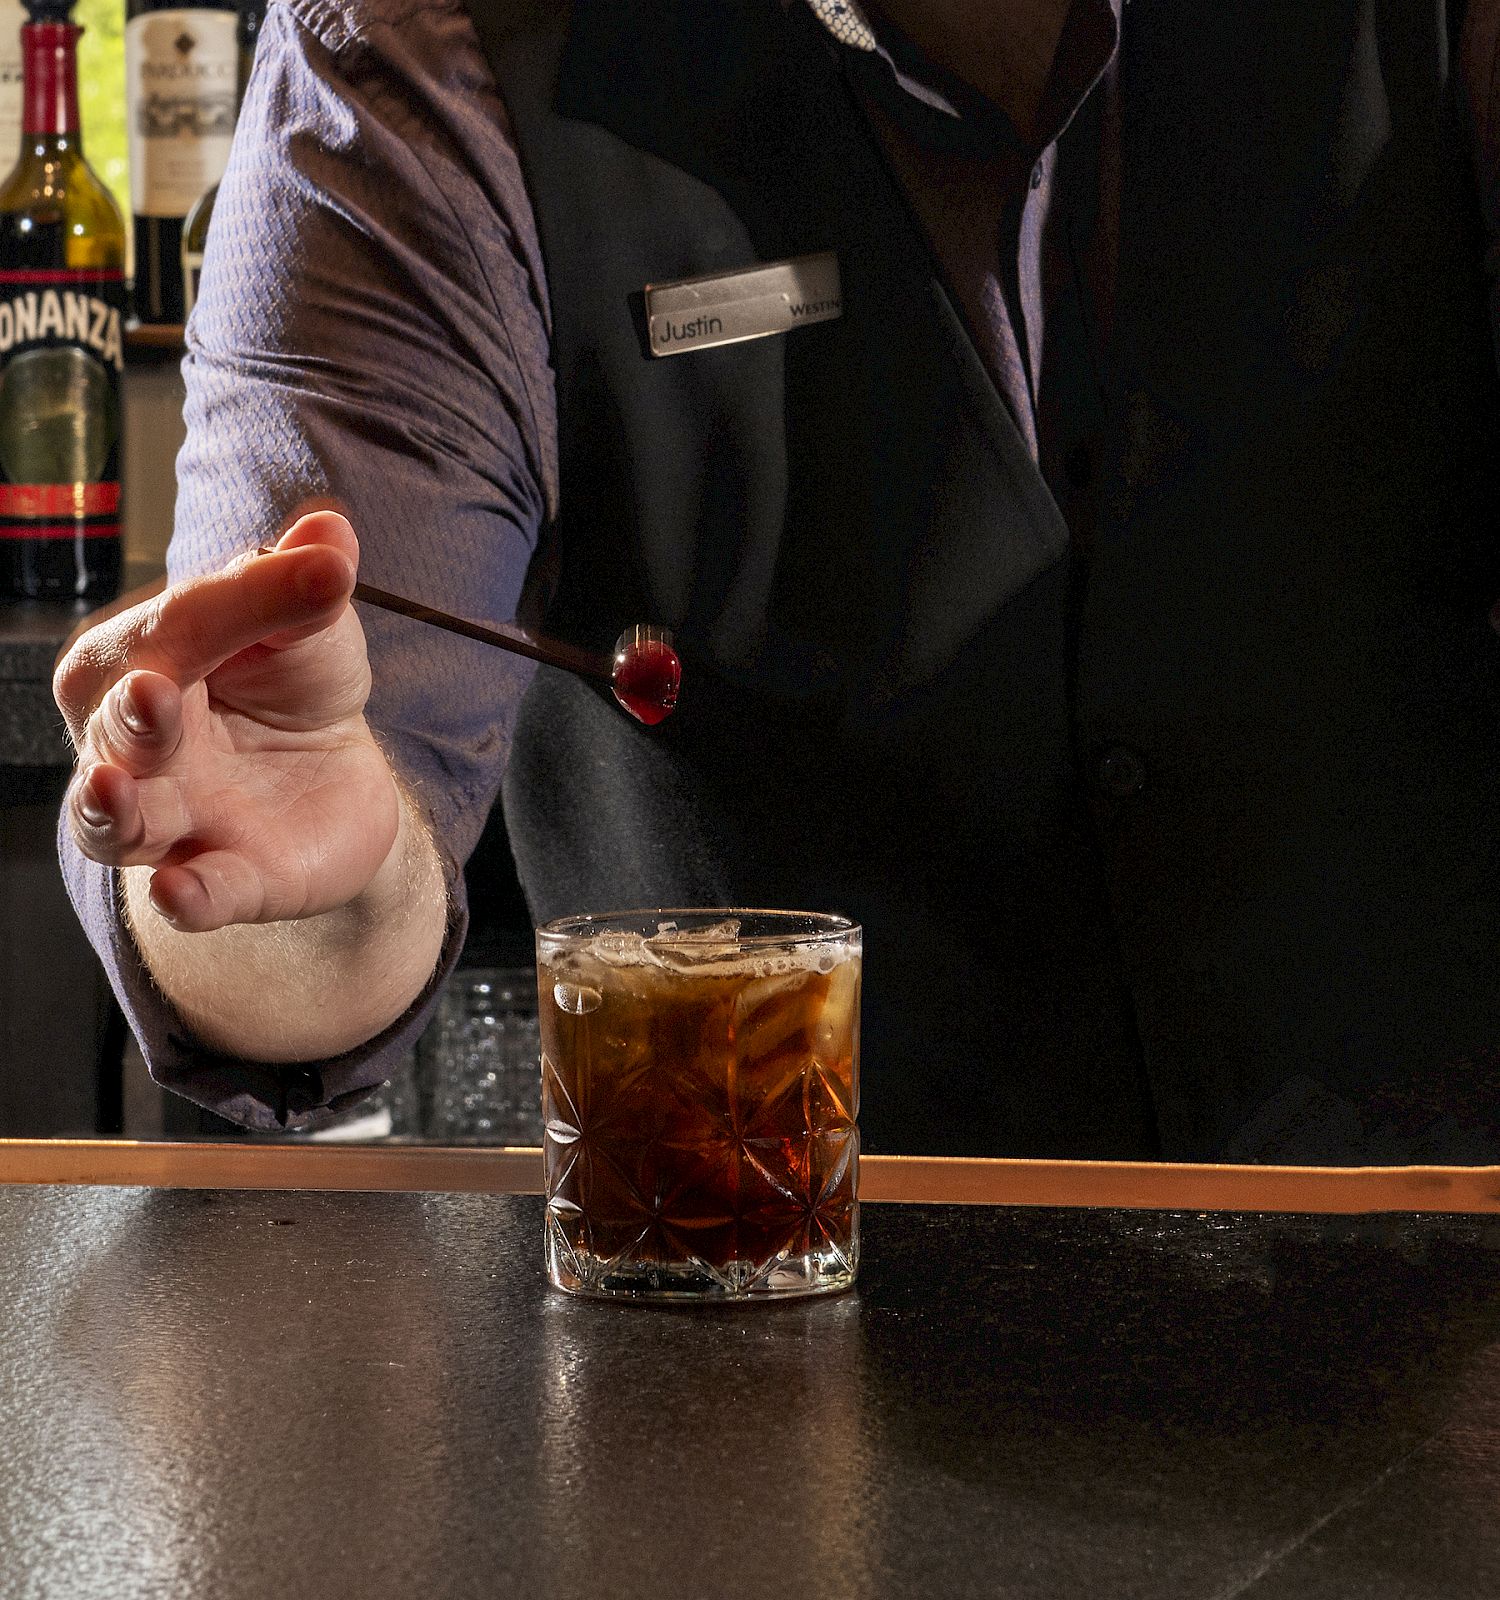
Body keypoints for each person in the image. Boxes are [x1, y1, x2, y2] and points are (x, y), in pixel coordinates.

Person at [54, 0, 1500, 1159]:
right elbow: (285, 900)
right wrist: (287, 874)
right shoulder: (423, 71)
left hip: (1436, 1347)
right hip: (748, 1366)